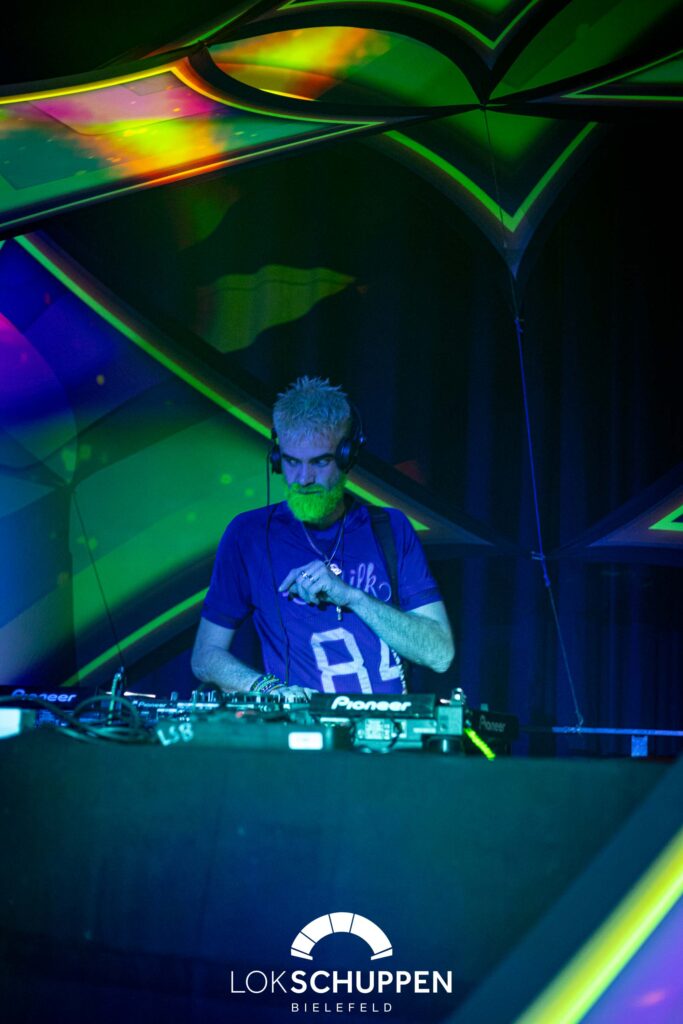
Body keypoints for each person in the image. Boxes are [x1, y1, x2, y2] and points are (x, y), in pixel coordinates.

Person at [191, 377, 454, 699]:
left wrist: (352, 597)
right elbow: (205, 656)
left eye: (320, 462)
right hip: (299, 727)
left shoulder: (390, 528)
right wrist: (267, 688)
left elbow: (440, 655)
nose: (303, 479)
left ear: (347, 456)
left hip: (389, 728)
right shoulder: (249, 535)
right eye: (292, 461)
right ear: (277, 459)